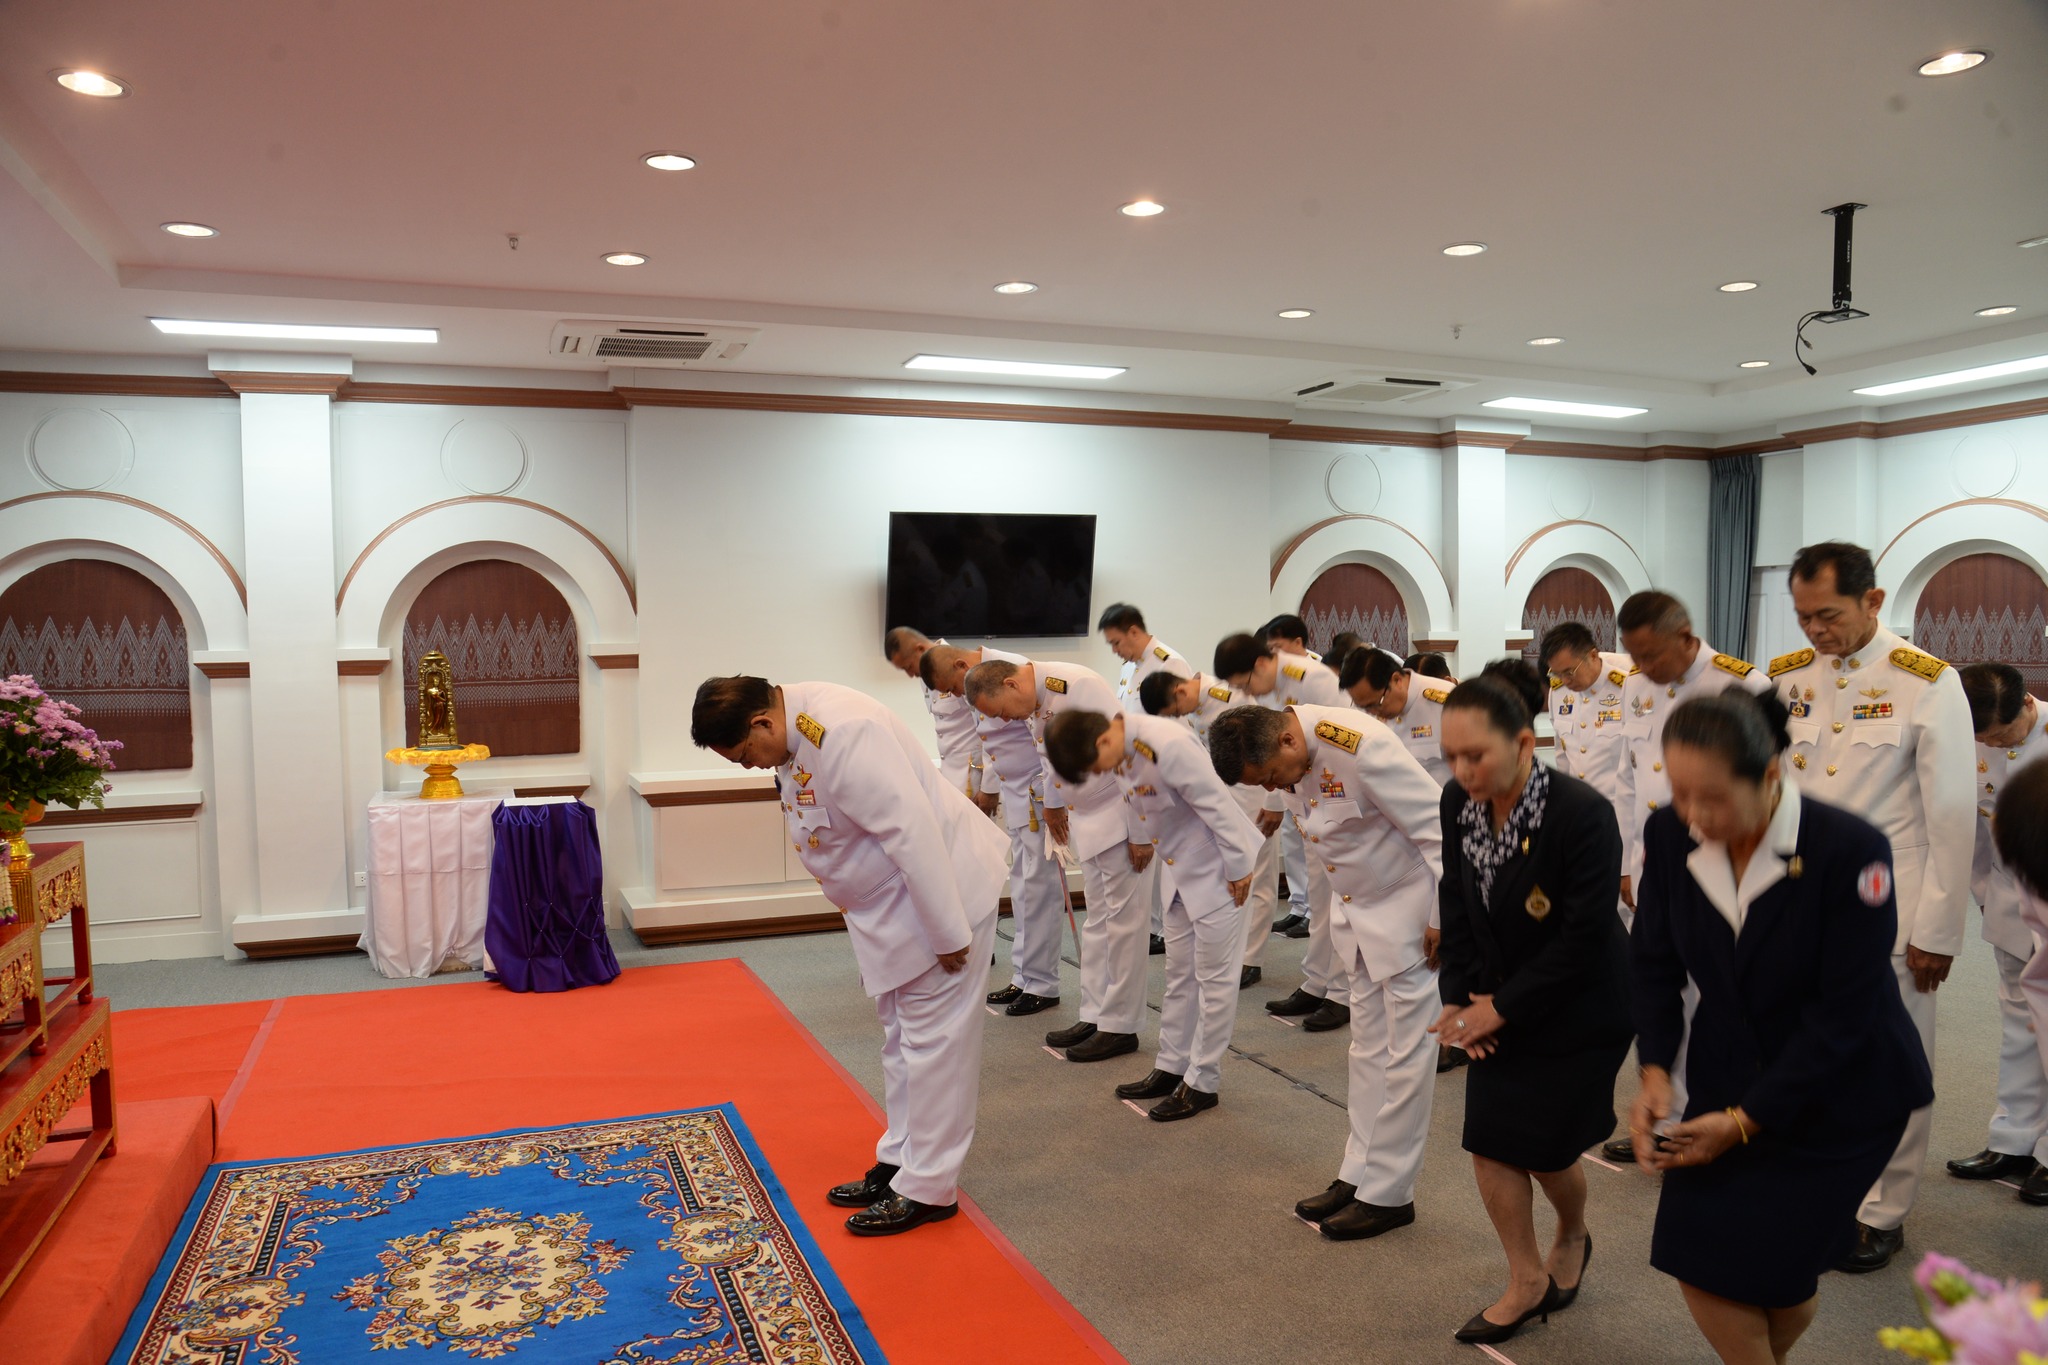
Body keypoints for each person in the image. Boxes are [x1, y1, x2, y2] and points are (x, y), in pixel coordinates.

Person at [1629, 690, 1934, 1363]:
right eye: (1679, 793)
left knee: (1781, 1275)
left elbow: (1845, 1014)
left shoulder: (1849, 849)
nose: (1692, 815)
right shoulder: (1669, 833)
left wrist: (1745, 1121)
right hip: (1729, 1067)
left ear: (1771, 774)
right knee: (1698, 1249)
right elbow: (1652, 960)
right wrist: (1655, 1067)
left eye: (1710, 797)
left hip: (1844, 1093)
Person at [691, 676, 1009, 1236]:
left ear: (762, 722)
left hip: (936, 898)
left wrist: (947, 932)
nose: (749, 767)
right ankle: (900, 1159)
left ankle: (930, 1186)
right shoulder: (796, 726)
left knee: (938, 1044)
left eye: (744, 755)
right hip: (888, 910)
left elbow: (912, 833)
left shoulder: (843, 732)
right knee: (902, 1037)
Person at [1768, 541, 1975, 1270]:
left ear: (1874, 601)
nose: (1815, 631)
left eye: (1828, 614)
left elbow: (1951, 813)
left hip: (1890, 905)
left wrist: (1939, 929)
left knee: (1892, 1058)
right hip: (1798, 903)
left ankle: (1883, 1207)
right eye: (1803, 616)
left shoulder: (1927, 682)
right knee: (1808, 1049)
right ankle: (1823, 1184)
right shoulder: (1788, 677)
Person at [1430, 660, 1632, 1345]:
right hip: (1498, 995)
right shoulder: (1458, 803)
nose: (1462, 770)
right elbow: (1456, 902)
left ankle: (1573, 1233)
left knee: (1546, 1149)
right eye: (1451, 755)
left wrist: (1501, 1007)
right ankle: (1525, 1278)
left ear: (1523, 743)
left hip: (1581, 1004)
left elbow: (1582, 936)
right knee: (1490, 1139)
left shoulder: (1581, 813)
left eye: (1475, 754)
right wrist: (1460, 1000)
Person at [1209, 699, 1444, 1240]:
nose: (1277, 786)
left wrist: (1442, 917)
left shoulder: (1361, 748)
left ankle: (1389, 1193)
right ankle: (1357, 1172)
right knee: (1366, 1051)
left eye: (1272, 776)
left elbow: (1439, 831)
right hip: (1357, 915)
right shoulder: (1281, 749)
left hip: (1412, 917)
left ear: (1289, 742)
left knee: (1407, 1056)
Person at [1598, 591, 1769, 1164]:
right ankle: (1665, 1112)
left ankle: (1724, 1115)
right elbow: (1628, 781)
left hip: (1723, 859)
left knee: (1718, 996)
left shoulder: (1743, 686)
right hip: (1659, 859)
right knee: (1660, 986)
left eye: (1651, 654)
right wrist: (1627, 860)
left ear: (1686, 637)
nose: (1642, 667)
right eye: (1632, 654)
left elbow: (1773, 790)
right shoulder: (1634, 687)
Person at [1046, 706, 1261, 1119]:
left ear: (1104, 741)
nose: (1101, 774)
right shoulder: (1122, 741)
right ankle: (1171, 1065)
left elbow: (1217, 807)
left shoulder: (1168, 744)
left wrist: (1238, 870)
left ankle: (1202, 1081)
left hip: (1221, 870)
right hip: (1180, 869)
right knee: (1179, 975)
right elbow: (1141, 805)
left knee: (1214, 983)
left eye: (1095, 766)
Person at [965, 656, 1156, 1060]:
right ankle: (1096, 1013)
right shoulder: (1037, 698)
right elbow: (1052, 760)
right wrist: (1056, 808)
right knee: (1098, 925)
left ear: (1012, 685)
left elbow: (1131, 754)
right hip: (1088, 820)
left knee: (1124, 928)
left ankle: (1121, 1026)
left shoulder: (1076, 685)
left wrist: (1141, 831)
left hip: (1120, 819)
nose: (1002, 720)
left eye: (1000, 710)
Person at [1945, 662, 2048, 1203]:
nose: (1991, 745)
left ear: (2028, 705)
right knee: (2018, 1025)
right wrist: (1984, 897)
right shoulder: (1971, 742)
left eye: (2001, 735)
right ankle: (2014, 1136)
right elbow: (1975, 831)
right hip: (2009, 905)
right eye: (1982, 737)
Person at [921, 643, 1067, 1017]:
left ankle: (1043, 983)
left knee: (1038, 888)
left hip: (1037, 792)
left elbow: (1047, 739)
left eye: (951, 687)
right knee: (1021, 887)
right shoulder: (981, 677)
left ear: (960, 664)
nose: (955, 696)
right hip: (1016, 791)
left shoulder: (1016, 671)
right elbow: (988, 740)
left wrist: (1051, 798)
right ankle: (1024, 976)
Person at [1218, 630, 1354, 1032]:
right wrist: (1279, 801)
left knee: (1340, 900)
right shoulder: (1268, 686)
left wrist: (1286, 802)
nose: (1246, 692)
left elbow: (1340, 742)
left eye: (1244, 682)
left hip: (1334, 798)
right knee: (1317, 892)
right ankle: (1317, 981)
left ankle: (1343, 993)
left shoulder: (1313, 678)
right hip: (1303, 799)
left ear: (1260, 664)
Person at [1142, 669, 1285, 987]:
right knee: (1231, 879)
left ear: (1180, 692)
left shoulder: (1231, 696)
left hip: (1253, 796)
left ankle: (1251, 958)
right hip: (1222, 799)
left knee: (1257, 876)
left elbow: (1271, 744)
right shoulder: (1199, 700)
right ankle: (1234, 950)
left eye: (1178, 710)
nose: (1182, 714)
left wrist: (1275, 800)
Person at [1539, 621, 1632, 849]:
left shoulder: (1629, 686)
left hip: (1621, 820)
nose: (1565, 681)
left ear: (1592, 655)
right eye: (1557, 674)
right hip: (1580, 819)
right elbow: (1563, 758)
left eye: (1569, 672)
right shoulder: (1558, 693)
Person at [885, 627, 985, 802]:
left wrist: (988, 786)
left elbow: (988, 728)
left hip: (974, 775)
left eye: (908, 666)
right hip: (950, 772)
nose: (910, 675)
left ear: (920, 649)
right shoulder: (926, 676)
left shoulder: (958, 667)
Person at [1341, 647, 1453, 784]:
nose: (1372, 712)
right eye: (1364, 707)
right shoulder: (1362, 710)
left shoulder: (1447, 702)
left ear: (1397, 680)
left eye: (1376, 704)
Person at [1099, 602, 1193, 702]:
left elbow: (1178, 714)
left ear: (1133, 632)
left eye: (1116, 643)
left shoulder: (1170, 663)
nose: (1114, 650)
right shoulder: (1127, 667)